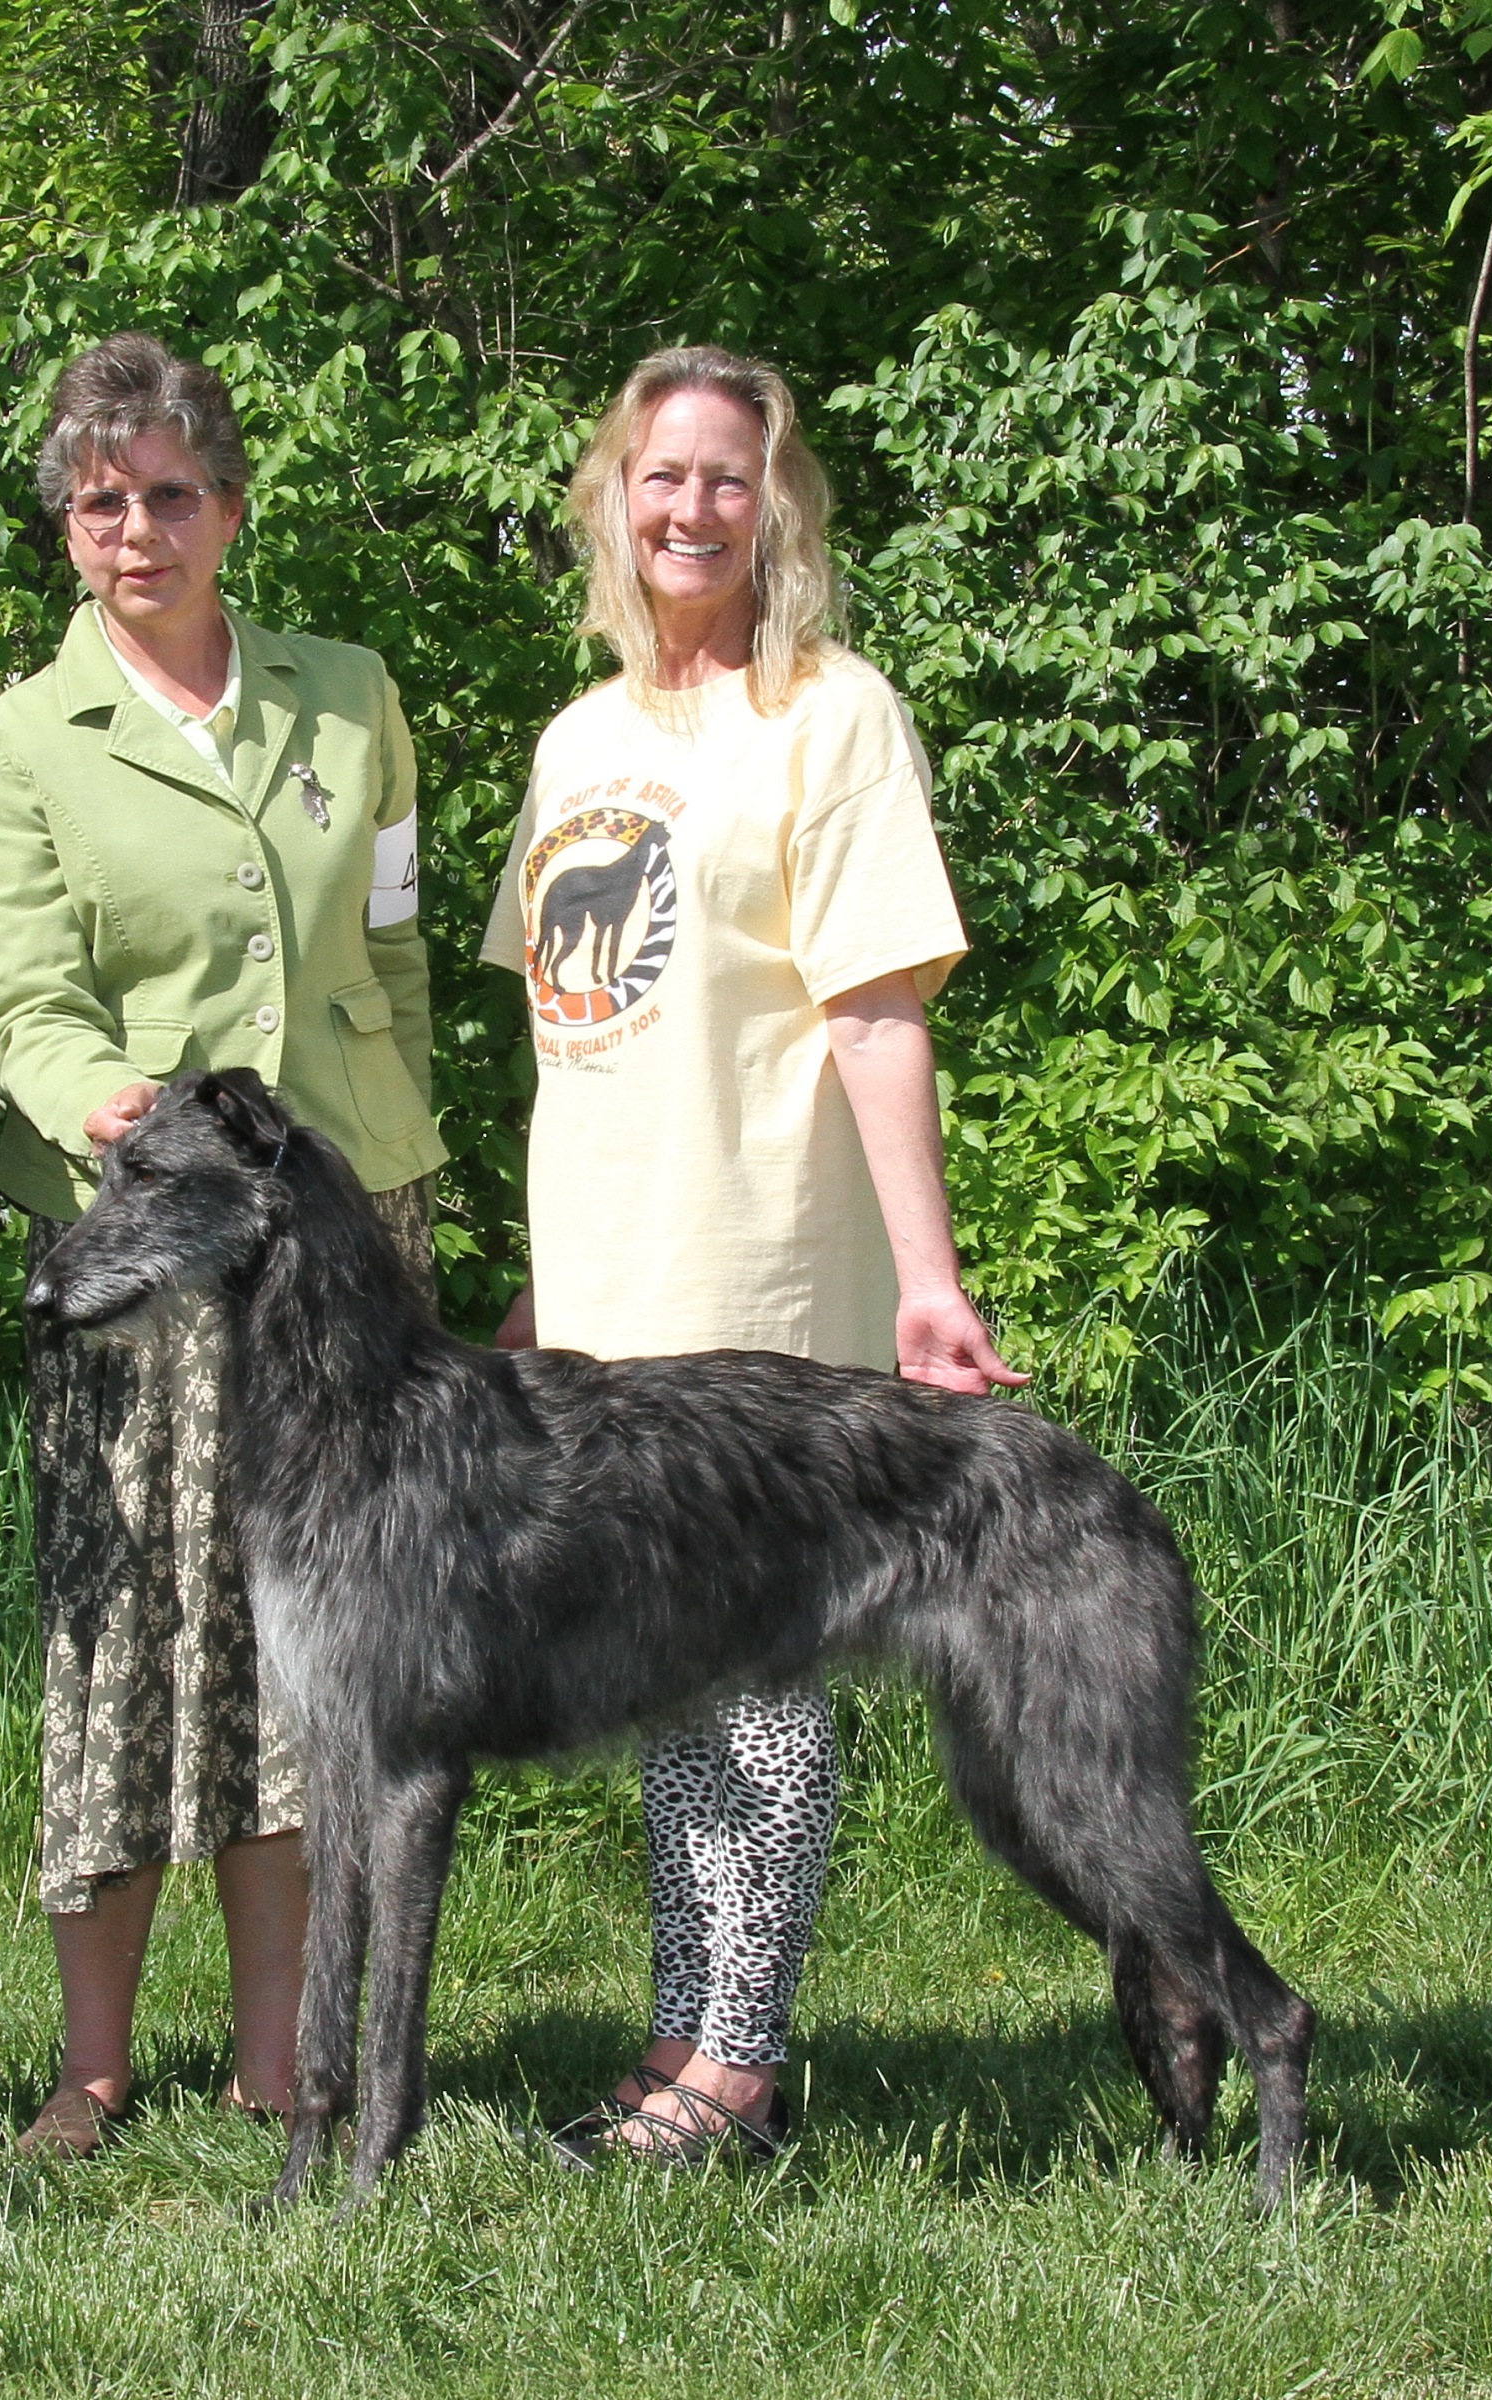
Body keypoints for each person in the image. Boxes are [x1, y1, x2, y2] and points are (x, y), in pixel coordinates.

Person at [483, 344, 1024, 2164]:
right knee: (666, 1679)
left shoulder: (833, 713)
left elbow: (876, 1010)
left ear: (775, 501)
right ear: (610, 502)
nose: (689, 508)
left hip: (772, 1278)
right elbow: (573, 1030)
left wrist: (928, 1278)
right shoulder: (582, 736)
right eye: (658, 476)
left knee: (765, 1680)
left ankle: (740, 2068)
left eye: (726, 477)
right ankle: (677, 2035)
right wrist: (552, 1279)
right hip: (611, 1296)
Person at [0, 333, 446, 2157]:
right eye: (101, 502)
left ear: (230, 509)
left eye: (171, 494)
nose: (137, 527)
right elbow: (22, 1008)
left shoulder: (353, 696)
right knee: (126, 1640)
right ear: (67, 532)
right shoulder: (22, 743)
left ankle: (280, 2063)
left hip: (346, 1243)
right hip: (147, 1250)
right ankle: (88, 2074)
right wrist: (128, 1121)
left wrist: (409, 1161)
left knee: (308, 1652)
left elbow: (389, 949)